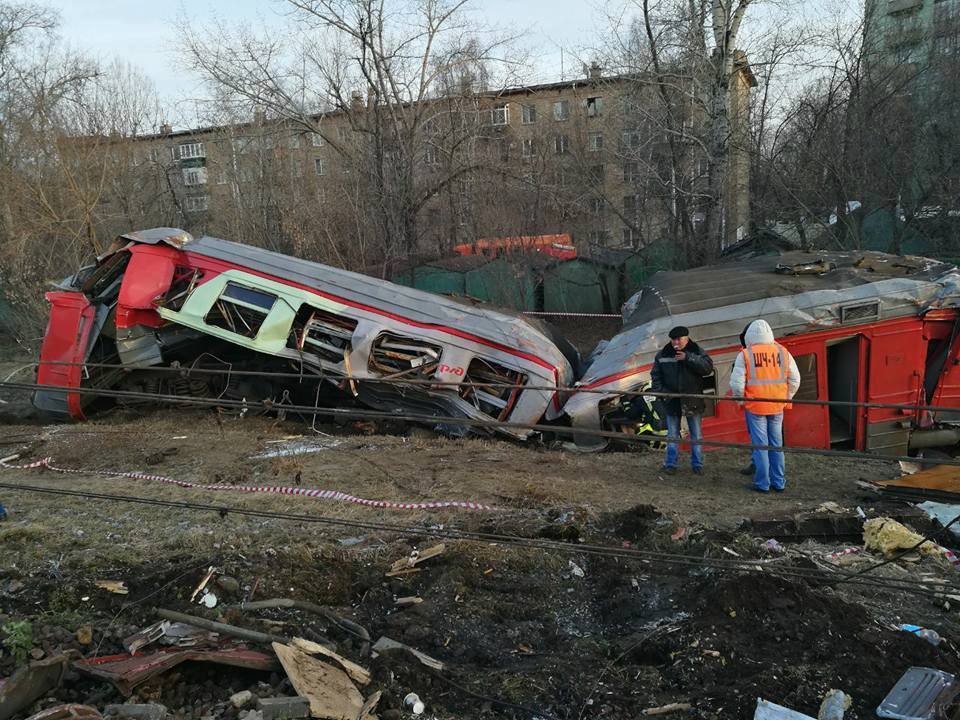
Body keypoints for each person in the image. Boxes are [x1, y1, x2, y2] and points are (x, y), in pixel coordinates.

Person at [730, 319, 801, 493]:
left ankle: (762, 484)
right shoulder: (783, 352)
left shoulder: (745, 354)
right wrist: (787, 398)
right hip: (777, 406)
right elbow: (795, 379)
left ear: (749, 337)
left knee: (761, 446)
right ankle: (779, 482)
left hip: (755, 408)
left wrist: (741, 401)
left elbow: (736, 384)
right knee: (776, 444)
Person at [651, 326, 714, 475]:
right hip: (671, 400)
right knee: (672, 434)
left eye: (678, 339)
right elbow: (655, 375)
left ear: (686, 338)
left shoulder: (697, 351)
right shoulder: (663, 354)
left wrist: (688, 358)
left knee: (696, 434)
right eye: (673, 339)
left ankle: (697, 464)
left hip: (693, 399)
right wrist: (663, 394)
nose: (675, 343)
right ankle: (670, 464)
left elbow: (707, 368)